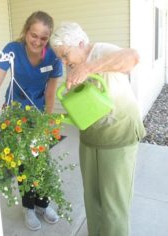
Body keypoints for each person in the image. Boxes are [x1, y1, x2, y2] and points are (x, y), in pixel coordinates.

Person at [50, 22, 146, 236]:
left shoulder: (102, 50)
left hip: (119, 135)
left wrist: (88, 67)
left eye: (65, 55)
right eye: (61, 58)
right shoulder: (73, 64)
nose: (64, 62)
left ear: (81, 43)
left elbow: (133, 57)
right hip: (91, 137)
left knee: (114, 205)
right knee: (92, 200)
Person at [0, 11, 63, 231]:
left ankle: (43, 203)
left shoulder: (53, 57)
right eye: (34, 35)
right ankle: (28, 207)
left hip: (38, 114)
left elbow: (50, 93)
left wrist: (48, 121)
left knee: (40, 160)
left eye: (43, 38)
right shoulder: (12, 50)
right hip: (15, 114)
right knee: (22, 162)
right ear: (25, 31)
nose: (37, 41)